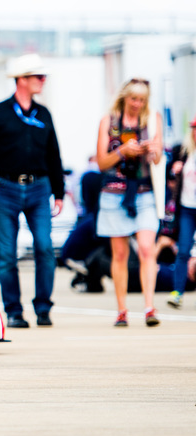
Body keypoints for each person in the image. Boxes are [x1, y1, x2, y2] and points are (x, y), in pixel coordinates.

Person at [0, 53, 65, 329]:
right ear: (21, 80)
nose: (43, 81)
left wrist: (59, 191)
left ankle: (43, 308)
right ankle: (13, 311)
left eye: (43, 76)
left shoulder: (43, 114)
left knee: (45, 248)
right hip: (6, 188)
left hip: (39, 188)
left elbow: (54, 155)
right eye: (38, 76)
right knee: (6, 254)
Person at [95, 77, 163, 327]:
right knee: (120, 253)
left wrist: (152, 150)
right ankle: (122, 309)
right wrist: (123, 151)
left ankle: (149, 307)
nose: (138, 104)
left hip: (144, 192)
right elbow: (101, 162)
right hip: (114, 194)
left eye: (142, 100)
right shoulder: (109, 122)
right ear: (124, 97)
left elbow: (157, 160)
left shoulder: (152, 120)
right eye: (134, 98)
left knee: (147, 248)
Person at [167, 114, 196, 309]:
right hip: (187, 209)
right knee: (183, 251)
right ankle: (177, 292)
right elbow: (168, 175)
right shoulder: (183, 151)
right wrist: (173, 170)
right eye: (194, 128)